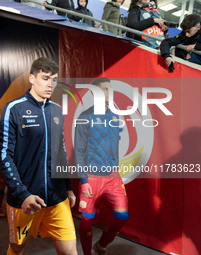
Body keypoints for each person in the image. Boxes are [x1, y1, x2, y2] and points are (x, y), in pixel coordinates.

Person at [0, 57, 77, 255]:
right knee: (17, 248)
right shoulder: (14, 109)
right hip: (25, 199)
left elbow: (61, 153)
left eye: (54, 79)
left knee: (70, 251)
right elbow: (3, 155)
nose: (51, 84)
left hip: (57, 198)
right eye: (45, 78)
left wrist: (68, 187)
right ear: (32, 78)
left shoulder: (57, 110)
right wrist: (22, 194)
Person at [74, 77, 129, 255]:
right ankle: (88, 253)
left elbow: (115, 145)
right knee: (87, 221)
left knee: (122, 217)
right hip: (92, 177)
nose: (108, 92)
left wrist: (117, 169)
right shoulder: (84, 117)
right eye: (104, 89)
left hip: (113, 176)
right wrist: (84, 180)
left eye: (109, 89)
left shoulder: (115, 115)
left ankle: (101, 245)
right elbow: (79, 150)